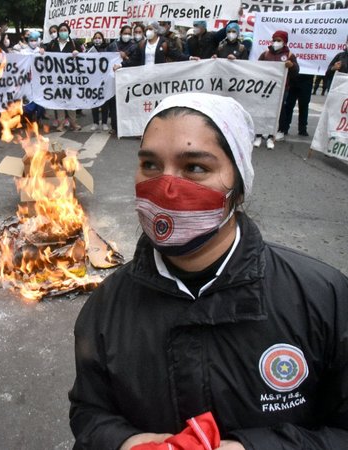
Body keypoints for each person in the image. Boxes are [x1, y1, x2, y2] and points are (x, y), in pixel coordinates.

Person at [69, 92, 348, 450]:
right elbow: (90, 413)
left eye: (195, 168)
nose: (166, 186)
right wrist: (124, 442)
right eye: (151, 165)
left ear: (238, 185)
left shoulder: (322, 297)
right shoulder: (107, 305)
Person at [254, 30, 299, 150]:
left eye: (279, 40)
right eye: (274, 40)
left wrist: (292, 66)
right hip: (264, 88)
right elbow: (256, 68)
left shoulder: (289, 55)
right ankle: (258, 135)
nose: (276, 42)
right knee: (262, 110)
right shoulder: (265, 54)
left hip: (281, 89)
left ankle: (270, 136)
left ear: (284, 42)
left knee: (276, 112)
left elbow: (295, 73)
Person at [44, 22, 82, 131]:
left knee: (71, 100)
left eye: (65, 30)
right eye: (61, 30)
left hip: (71, 77)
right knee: (60, 100)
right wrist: (42, 50)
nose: (63, 32)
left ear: (69, 32)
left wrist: (77, 52)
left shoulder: (74, 43)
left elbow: (83, 57)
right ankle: (61, 123)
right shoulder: (52, 44)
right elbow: (45, 52)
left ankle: (73, 123)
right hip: (57, 77)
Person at [120, 21, 190, 68]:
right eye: (147, 29)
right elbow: (134, 60)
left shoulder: (164, 43)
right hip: (145, 75)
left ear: (156, 31)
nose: (148, 31)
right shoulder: (142, 44)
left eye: (150, 29)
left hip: (158, 76)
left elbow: (176, 55)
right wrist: (121, 65)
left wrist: (189, 58)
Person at [106, 25, 136, 134]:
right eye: (125, 33)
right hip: (114, 79)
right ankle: (115, 127)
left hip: (128, 80)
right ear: (120, 33)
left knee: (127, 104)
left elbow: (135, 61)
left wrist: (126, 57)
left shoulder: (134, 46)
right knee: (114, 104)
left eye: (129, 33)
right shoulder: (113, 46)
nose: (126, 35)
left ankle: (127, 127)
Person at [87, 32, 110, 131]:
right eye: (95, 38)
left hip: (105, 79)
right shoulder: (89, 50)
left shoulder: (108, 48)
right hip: (93, 79)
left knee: (104, 102)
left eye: (99, 37)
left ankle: (104, 122)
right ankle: (95, 122)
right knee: (94, 102)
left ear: (103, 39)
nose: (97, 39)